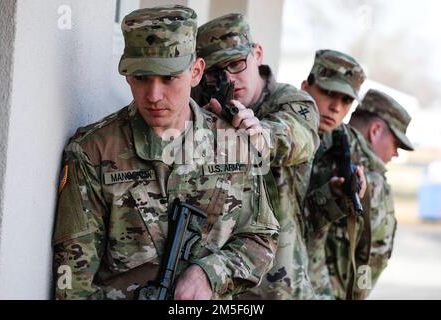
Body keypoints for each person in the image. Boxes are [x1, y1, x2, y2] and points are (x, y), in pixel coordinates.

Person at [52, 5, 279, 300]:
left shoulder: (233, 144)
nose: (154, 96)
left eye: (169, 78)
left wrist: (209, 274)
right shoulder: (92, 152)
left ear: (196, 72)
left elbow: (261, 236)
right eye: (141, 77)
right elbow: (73, 283)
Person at [193, 13, 320, 299]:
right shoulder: (201, 105)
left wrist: (258, 133)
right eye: (216, 71)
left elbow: (294, 136)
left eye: (237, 63)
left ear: (257, 54)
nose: (230, 78)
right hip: (216, 279)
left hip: (276, 283)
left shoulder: (291, 101)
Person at [301, 49, 368, 299]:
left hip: (315, 285)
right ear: (306, 87)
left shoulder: (345, 145)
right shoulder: (278, 136)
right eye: (328, 93)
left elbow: (363, 245)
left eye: (346, 100)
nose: (336, 107)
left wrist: (341, 197)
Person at [347, 88, 414, 298]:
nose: (395, 153)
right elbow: (367, 255)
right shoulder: (368, 178)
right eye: (396, 144)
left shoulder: (323, 150)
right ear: (375, 130)